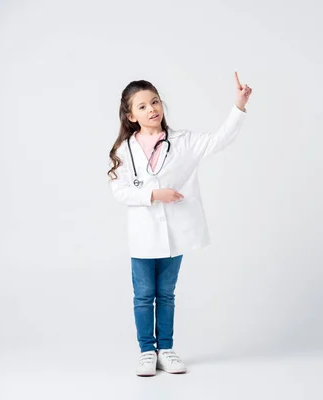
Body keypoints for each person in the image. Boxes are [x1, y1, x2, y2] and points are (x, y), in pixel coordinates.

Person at [107, 72, 252, 377]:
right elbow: (119, 190)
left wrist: (238, 105)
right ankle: (147, 351)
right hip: (144, 235)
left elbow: (219, 140)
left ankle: (166, 350)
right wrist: (153, 194)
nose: (152, 109)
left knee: (167, 293)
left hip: (175, 232)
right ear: (131, 116)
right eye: (143, 106)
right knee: (144, 294)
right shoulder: (124, 151)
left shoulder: (183, 141)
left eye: (155, 101)